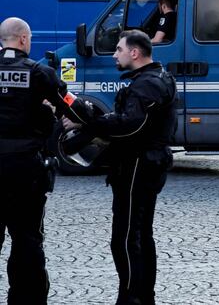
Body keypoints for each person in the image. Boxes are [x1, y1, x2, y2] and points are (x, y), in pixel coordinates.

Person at [64, 29, 177, 305]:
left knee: (125, 238)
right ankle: (143, 296)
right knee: (141, 234)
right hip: (146, 163)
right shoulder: (155, 78)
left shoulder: (146, 85)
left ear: (134, 53)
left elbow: (130, 125)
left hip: (138, 165)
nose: (115, 55)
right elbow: (130, 119)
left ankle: (130, 298)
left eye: (119, 49)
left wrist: (89, 123)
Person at [0, 17, 86, 304]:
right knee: (27, 240)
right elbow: (72, 105)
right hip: (25, 170)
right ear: (24, 39)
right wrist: (95, 122)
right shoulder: (39, 72)